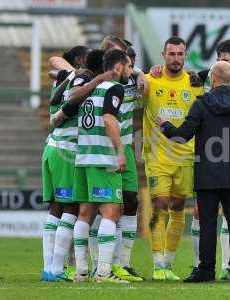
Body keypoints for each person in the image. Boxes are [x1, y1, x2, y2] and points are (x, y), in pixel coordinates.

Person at [157, 61, 230, 283]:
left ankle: (207, 270)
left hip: (207, 174)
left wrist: (165, 125)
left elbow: (182, 136)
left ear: (212, 78)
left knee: (208, 223)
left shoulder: (201, 105)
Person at [143, 36, 204, 281]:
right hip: (157, 156)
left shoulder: (195, 83)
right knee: (160, 205)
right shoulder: (150, 80)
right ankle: (158, 263)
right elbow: (129, 77)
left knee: (178, 208)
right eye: (171, 54)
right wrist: (141, 72)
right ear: (163, 54)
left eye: (180, 54)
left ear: (185, 55)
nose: (176, 58)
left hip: (186, 157)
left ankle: (168, 263)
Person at [71, 49, 132, 283]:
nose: (129, 71)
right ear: (117, 67)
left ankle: (81, 271)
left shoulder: (89, 89)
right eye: (127, 66)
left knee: (85, 213)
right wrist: (119, 151)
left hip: (83, 158)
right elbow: (108, 119)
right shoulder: (112, 87)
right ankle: (104, 273)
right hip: (102, 158)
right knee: (111, 212)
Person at [41, 45, 90, 282]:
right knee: (70, 207)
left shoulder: (66, 78)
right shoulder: (78, 81)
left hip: (53, 147)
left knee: (56, 209)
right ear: (80, 59)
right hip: (65, 151)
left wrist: (71, 72)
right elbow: (54, 59)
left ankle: (49, 268)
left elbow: (57, 65)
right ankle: (56, 269)